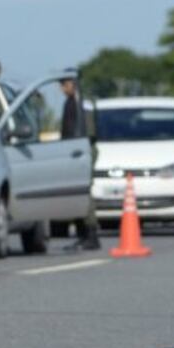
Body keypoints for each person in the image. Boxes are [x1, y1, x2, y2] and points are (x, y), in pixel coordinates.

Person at [60, 76, 100, 250]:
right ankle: (81, 233)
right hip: (72, 150)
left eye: (65, 85)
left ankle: (91, 233)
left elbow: (89, 130)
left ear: (74, 85)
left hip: (82, 150)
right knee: (75, 190)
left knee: (84, 191)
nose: (62, 89)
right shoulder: (69, 102)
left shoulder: (83, 102)